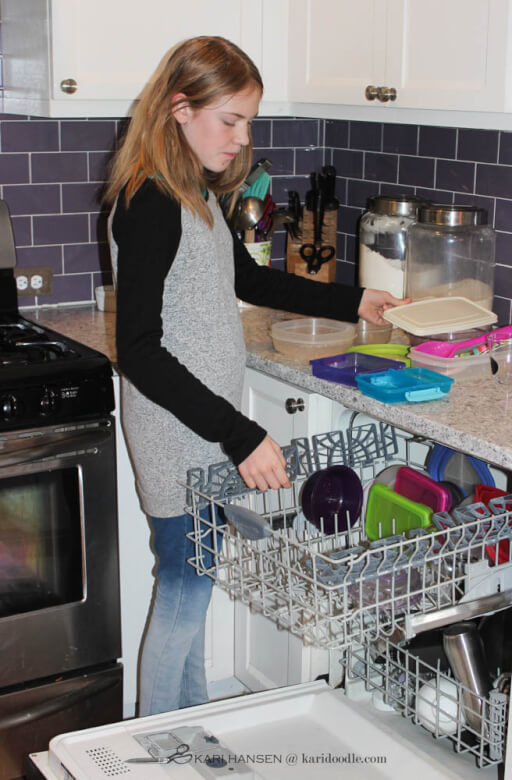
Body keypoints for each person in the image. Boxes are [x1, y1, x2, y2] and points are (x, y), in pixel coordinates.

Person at [104, 35, 406, 717]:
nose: (242, 139)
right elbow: (140, 350)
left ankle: (188, 734)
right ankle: (152, 750)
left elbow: (248, 278)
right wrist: (240, 435)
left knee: (196, 580)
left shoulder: (191, 192)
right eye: (231, 120)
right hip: (182, 431)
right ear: (181, 108)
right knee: (185, 584)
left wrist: (352, 299)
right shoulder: (151, 199)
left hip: (201, 426)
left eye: (249, 122)